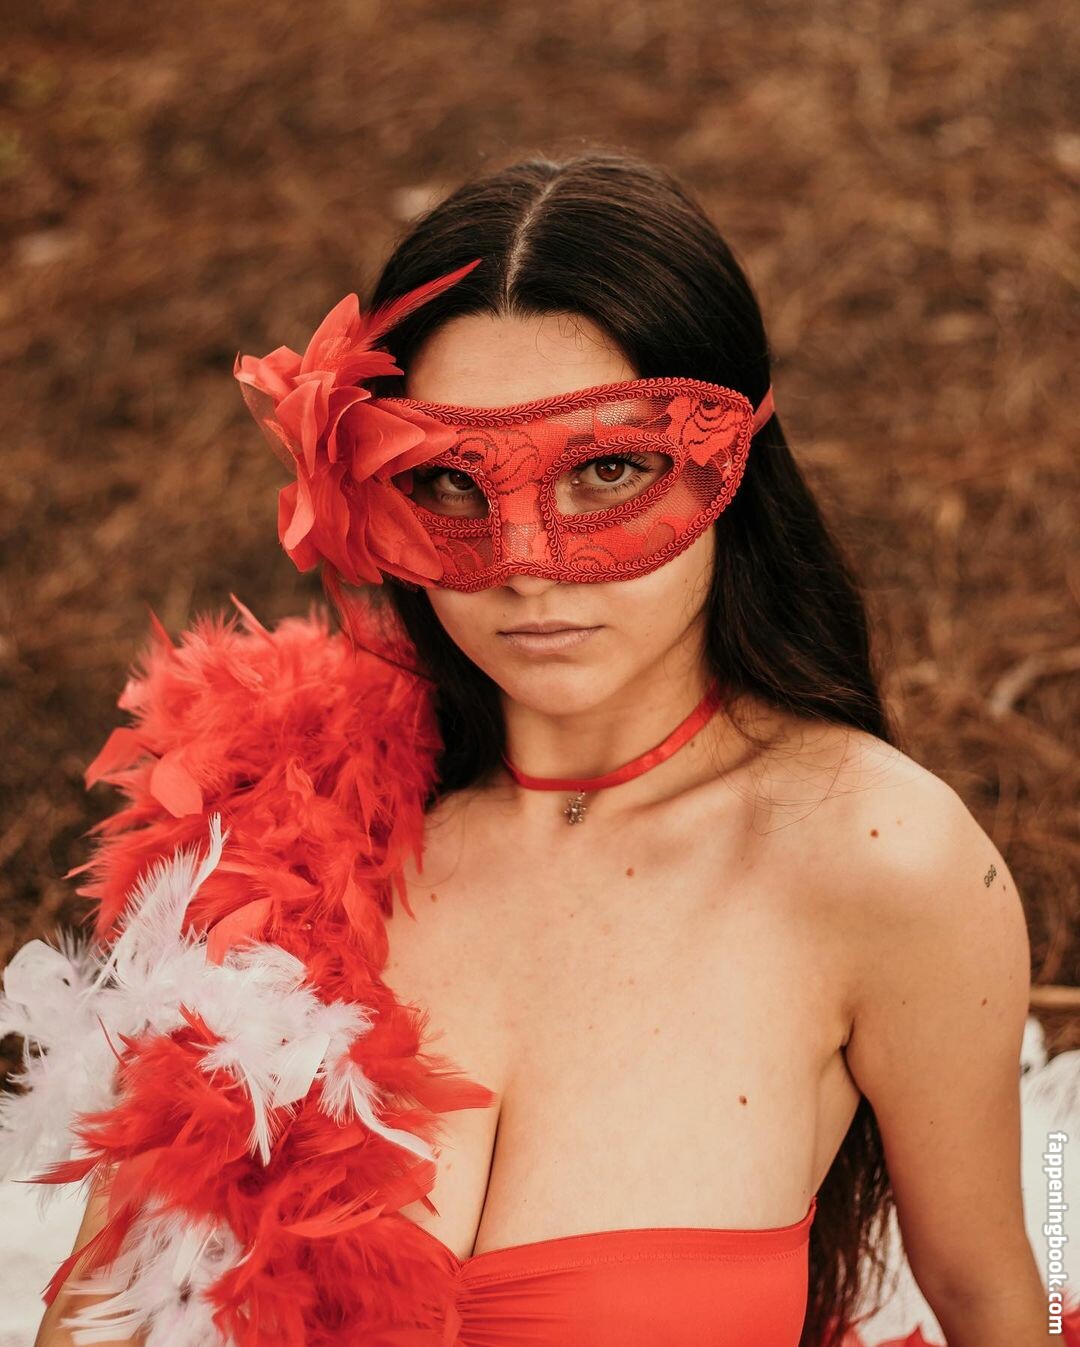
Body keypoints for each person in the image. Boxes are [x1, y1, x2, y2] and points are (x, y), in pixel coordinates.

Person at [20, 151, 1053, 1347]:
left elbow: (987, 1300)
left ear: (733, 467)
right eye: (448, 483)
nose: (524, 565)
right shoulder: (270, 833)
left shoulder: (881, 861)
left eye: (608, 469)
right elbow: (103, 1313)